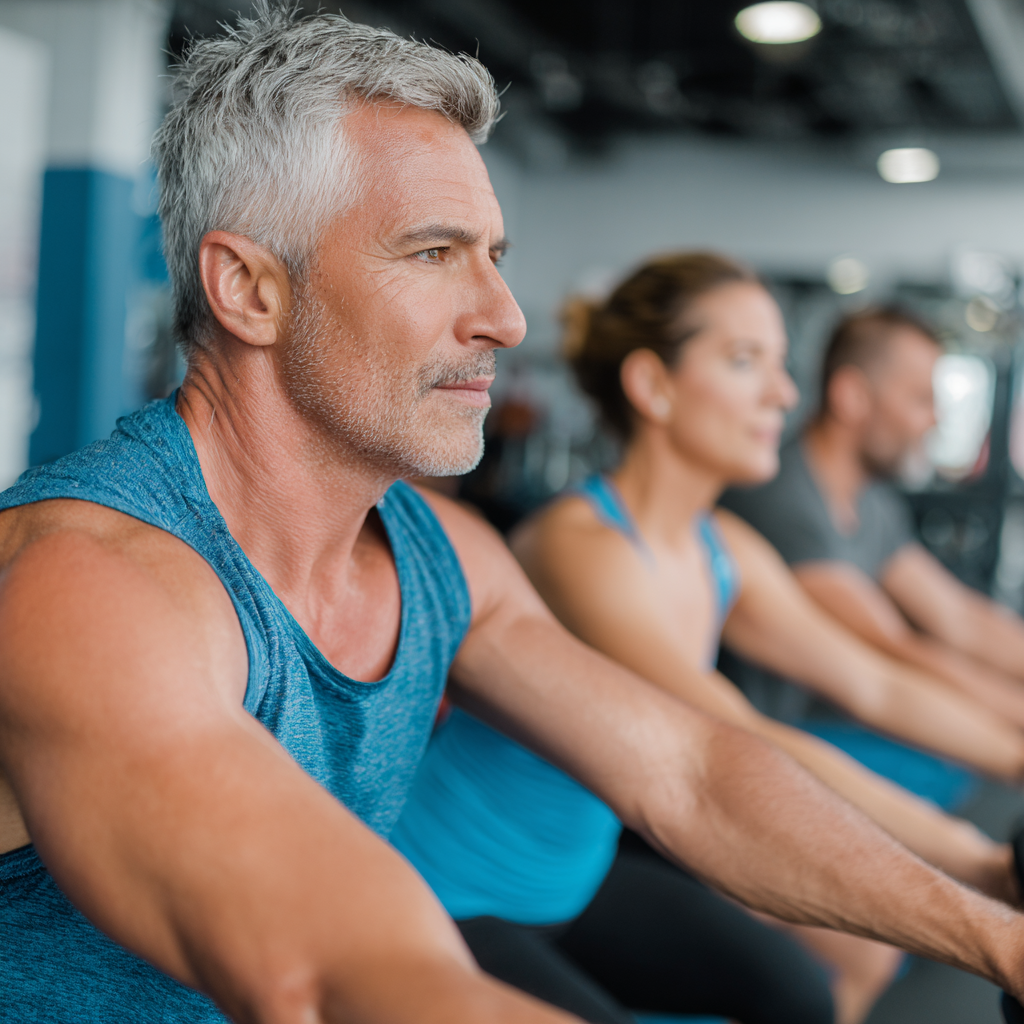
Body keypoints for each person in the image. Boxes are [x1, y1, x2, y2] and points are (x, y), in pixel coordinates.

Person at [3, 7, 1024, 1023]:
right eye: (434, 252)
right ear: (249, 289)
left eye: (494, 253)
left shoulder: (442, 557)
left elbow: (691, 773)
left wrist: (999, 932)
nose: (507, 315)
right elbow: (326, 974)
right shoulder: (88, 586)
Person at [392, 253, 1023, 1024]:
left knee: (798, 997)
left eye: (779, 364)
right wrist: (978, 865)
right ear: (653, 385)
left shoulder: (721, 544)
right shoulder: (582, 549)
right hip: (450, 892)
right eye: (743, 360)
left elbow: (872, 683)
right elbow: (728, 743)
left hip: (575, 880)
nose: (784, 394)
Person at [721, 306, 1024, 796]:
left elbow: (960, 617)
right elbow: (889, 652)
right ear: (852, 396)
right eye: (920, 399)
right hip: (764, 735)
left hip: (829, 713)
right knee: (948, 759)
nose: (935, 419)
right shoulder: (781, 496)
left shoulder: (872, 500)